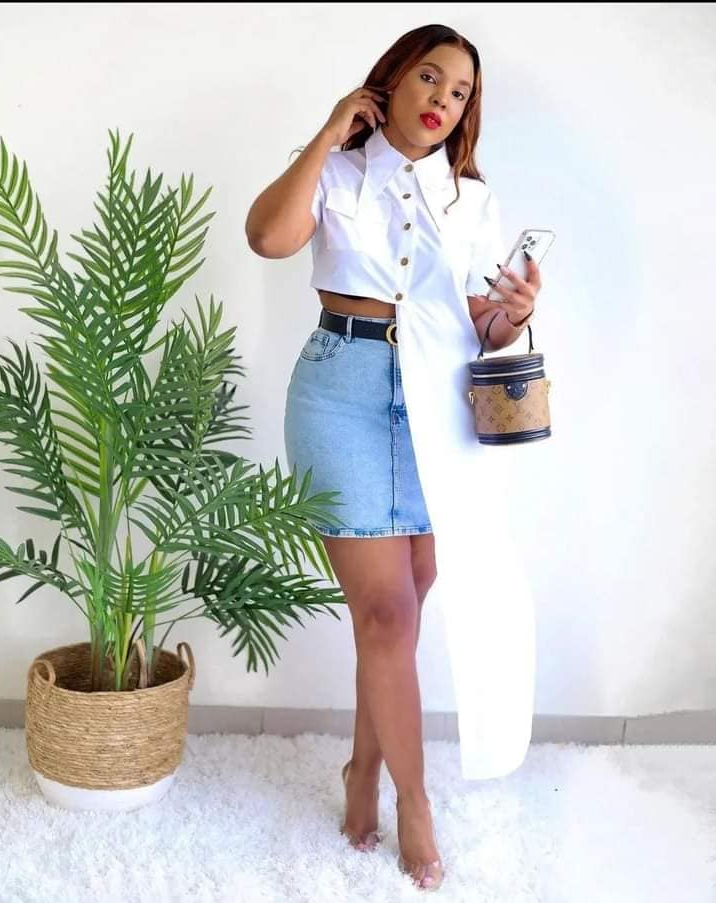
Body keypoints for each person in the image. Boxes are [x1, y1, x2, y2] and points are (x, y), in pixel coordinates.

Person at [245, 23, 542, 893]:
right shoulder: (336, 172)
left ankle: (363, 769)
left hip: (438, 404)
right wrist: (331, 129)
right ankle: (416, 803)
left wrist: (514, 314)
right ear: (392, 81)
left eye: (460, 92)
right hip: (341, 390)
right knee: (385, 613)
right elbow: (268, 237)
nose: (443, 99)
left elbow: (480, 323)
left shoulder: (472, 200)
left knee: (401, 612)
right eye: (429, 77)